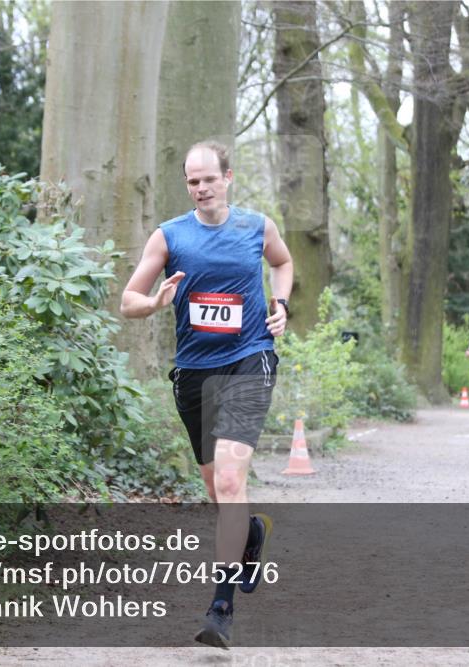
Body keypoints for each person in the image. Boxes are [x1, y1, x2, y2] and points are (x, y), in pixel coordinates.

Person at [120, 140, 293, 649]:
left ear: (228, 177)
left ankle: (221, 608)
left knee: (231, 476)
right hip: (194, 370)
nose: (200, 189)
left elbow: (283, 263)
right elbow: (129, 301)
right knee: (217, 491)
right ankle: (252, 535)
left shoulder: (256, 227)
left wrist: (280, 303)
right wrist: (155, 303)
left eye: (208, 179)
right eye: (192, 181)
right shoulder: (170, 236)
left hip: (249, 358)